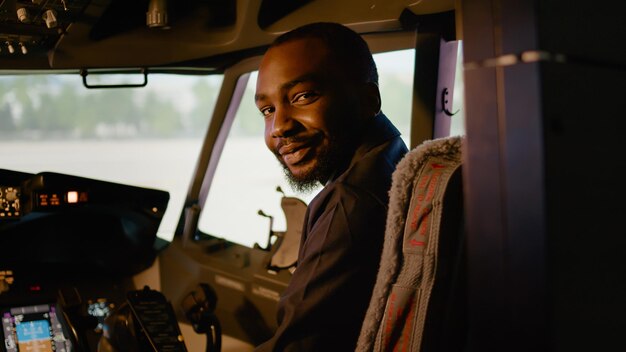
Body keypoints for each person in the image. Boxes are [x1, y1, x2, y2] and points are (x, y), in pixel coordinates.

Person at [254, 22, 408, 351]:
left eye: (304, 96)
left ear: (368, 99)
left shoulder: (347, 203)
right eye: (268, 110)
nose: (279, 127)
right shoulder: (392, 159)